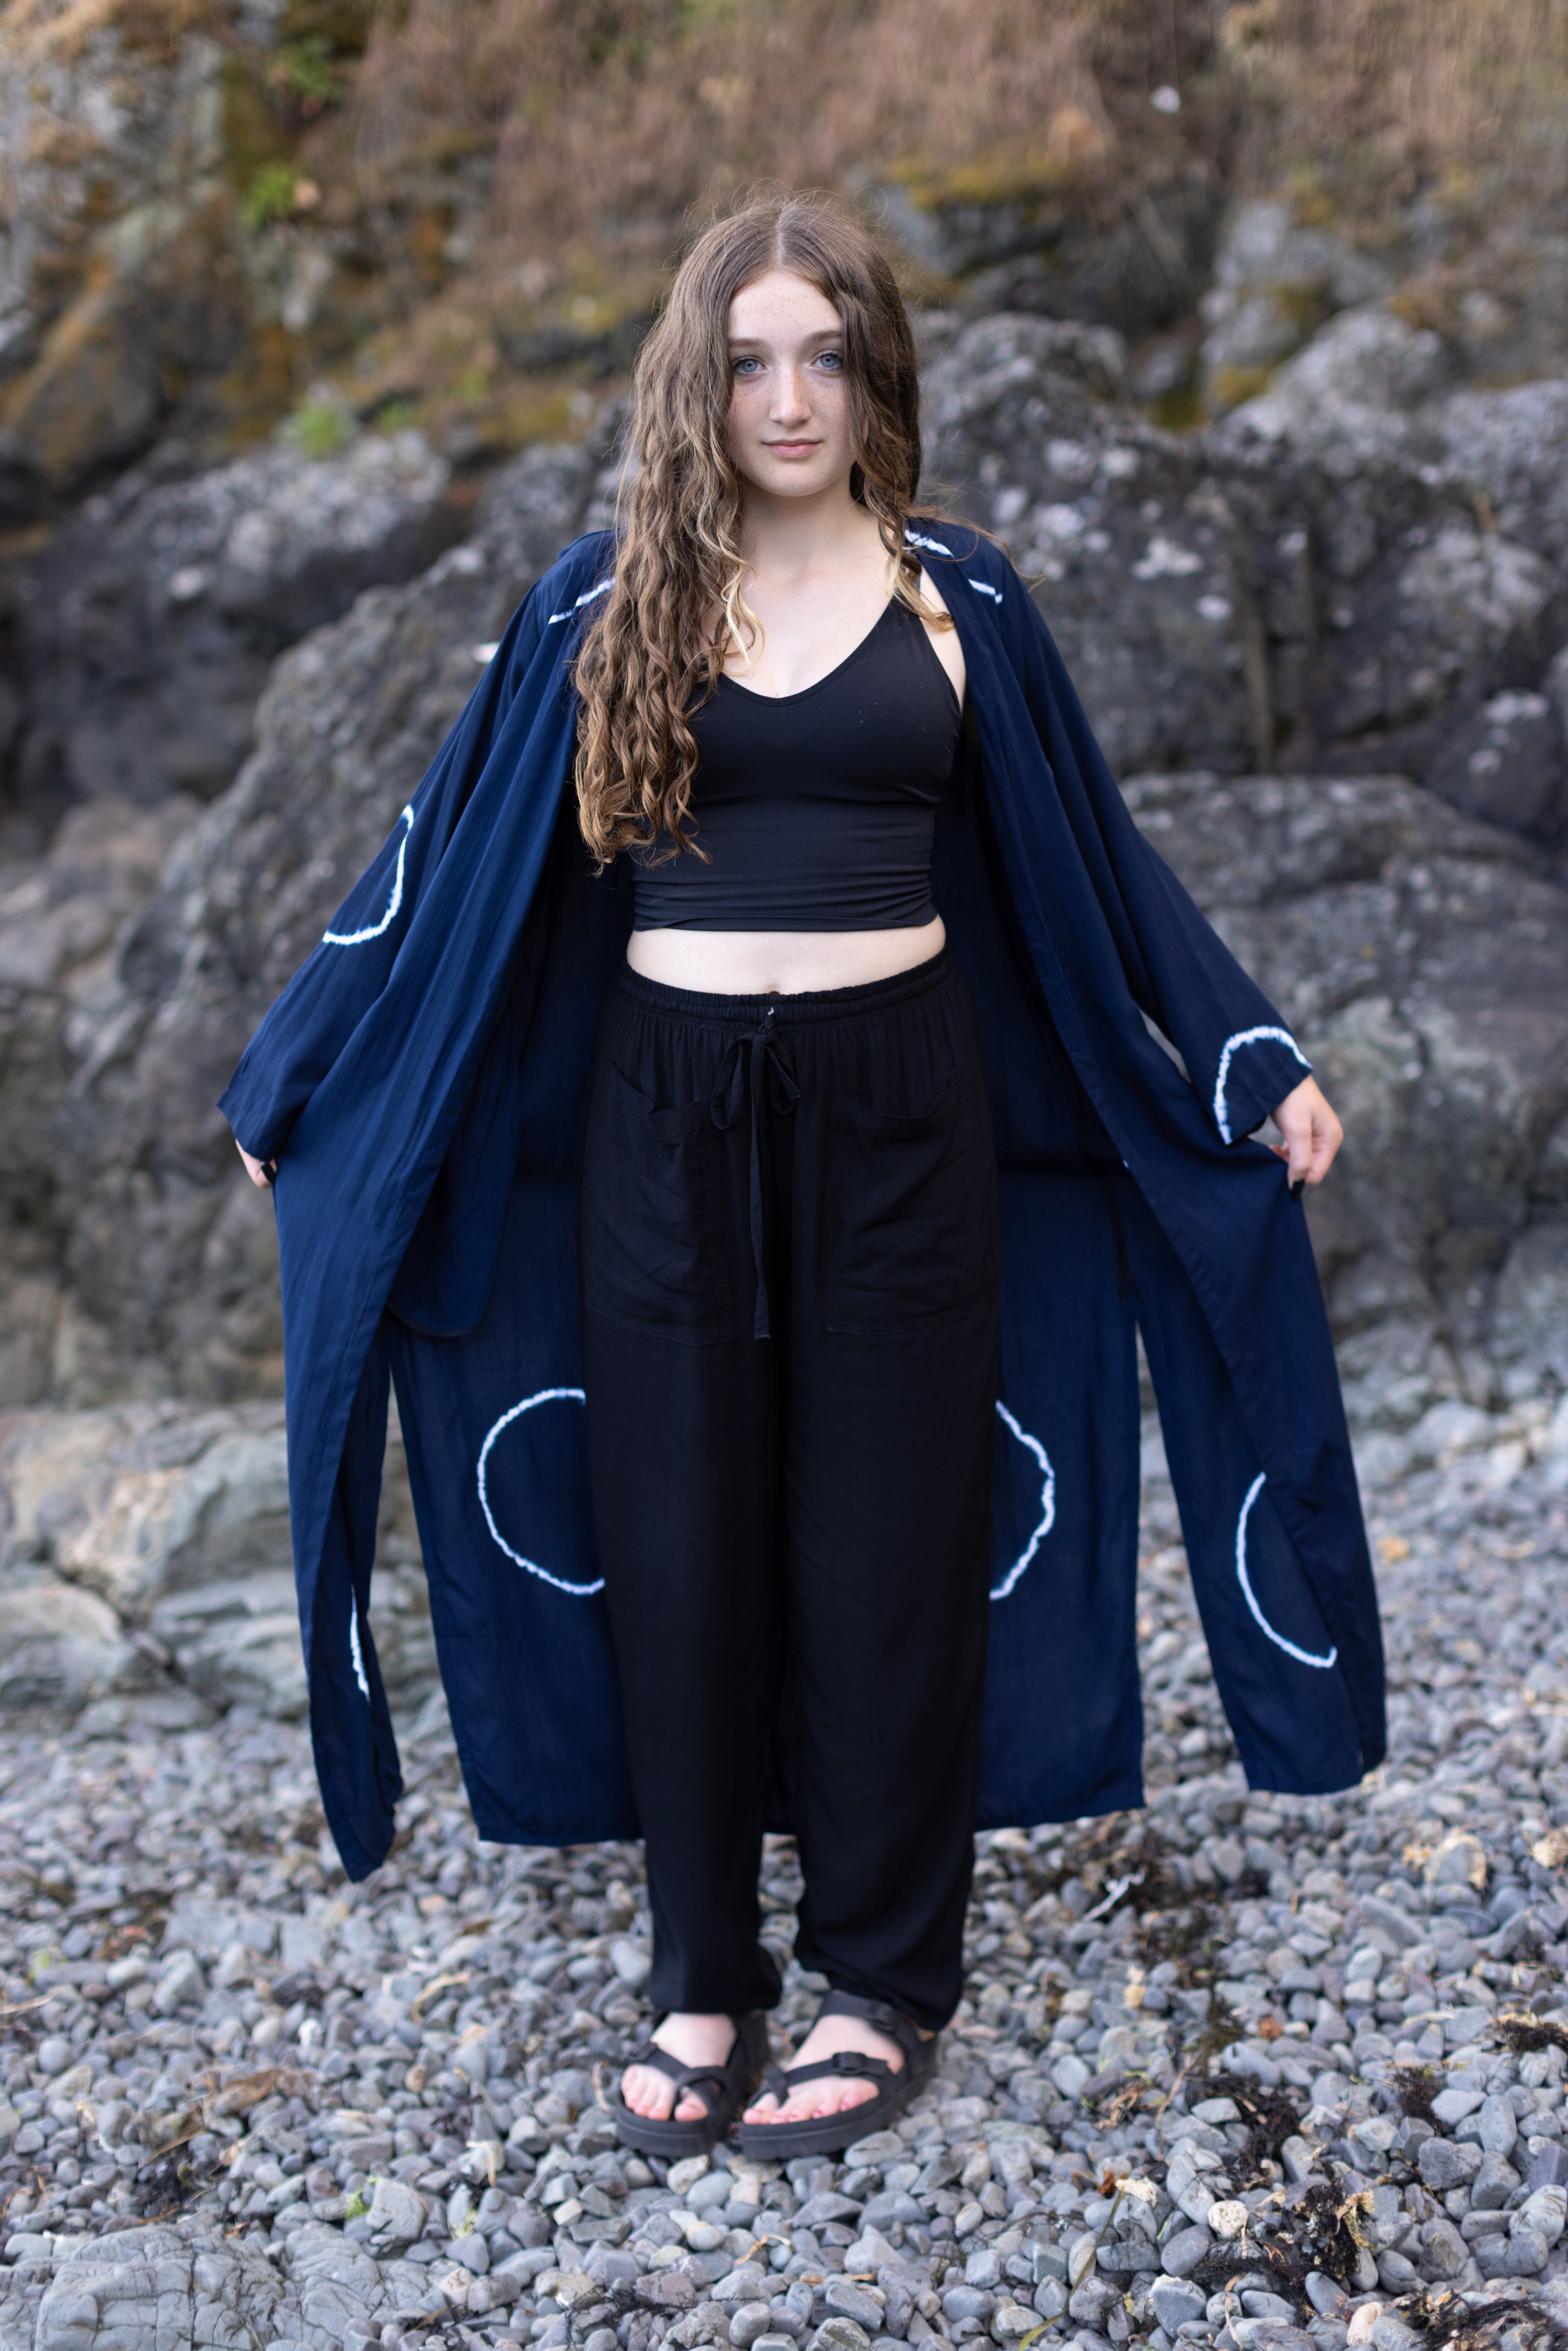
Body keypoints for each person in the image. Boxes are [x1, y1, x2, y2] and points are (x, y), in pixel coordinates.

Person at [221, 193, 1383, 2165]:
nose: (786, 398)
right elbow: (440, 850)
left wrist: (1246, 1052)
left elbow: (1100, 862)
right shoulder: (603, 601)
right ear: (696, 377)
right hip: (662, 1113)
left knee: (890, 1546)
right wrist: (297, 1068)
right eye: (749, 359)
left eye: (824, 356)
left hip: (903, 1109)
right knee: (674, 1545)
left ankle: (879, 1975)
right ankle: (701, 1972)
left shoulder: (961, 597)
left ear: (873, 373)